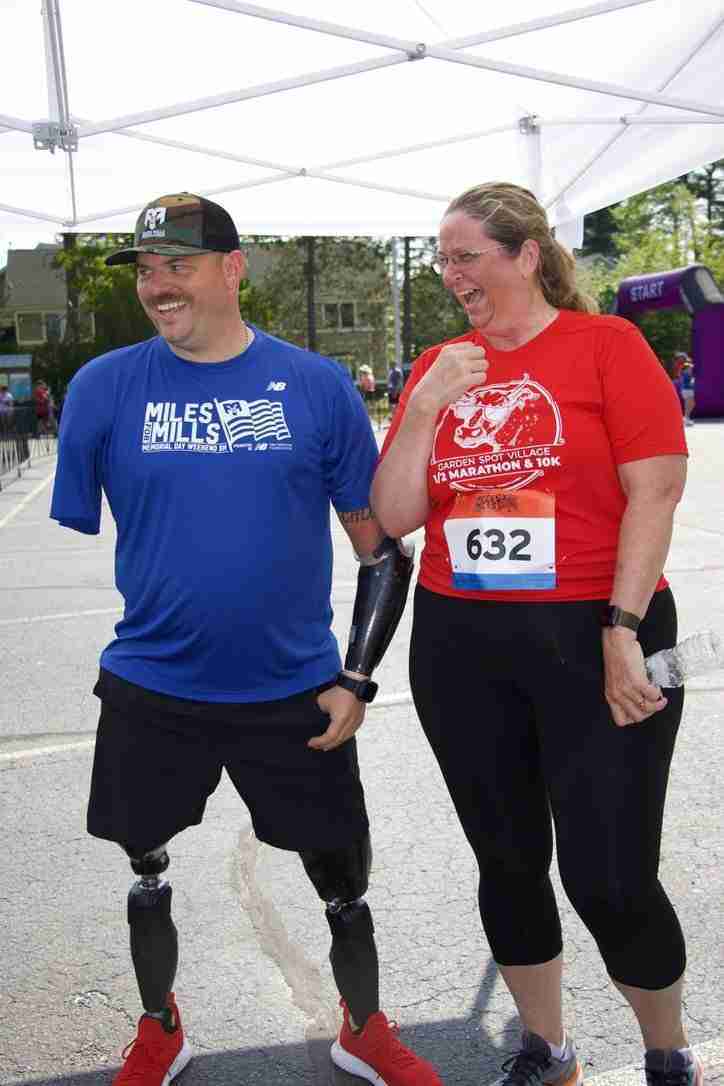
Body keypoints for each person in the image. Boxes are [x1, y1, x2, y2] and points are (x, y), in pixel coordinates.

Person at [50, 192, 442, 1086]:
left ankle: (364, 1029)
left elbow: (382, 552)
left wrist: (358, 677)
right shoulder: (104, 387)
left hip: (294, 690)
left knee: (343, 882)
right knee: (145, 869)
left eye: (179, 266)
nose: (159, 285)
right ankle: (160, 1029)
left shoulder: (314, 385)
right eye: (147, 269)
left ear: (233, 269)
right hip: (153, 686)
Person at [371, 182, 702, 1086]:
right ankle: (547, 1048)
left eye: (466, 256)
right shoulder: (441, 364)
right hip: (462, 642)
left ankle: (667, 1051)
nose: (451, 275)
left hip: (602, 630)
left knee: (611, 874)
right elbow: (393, 514)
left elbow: (657, 490)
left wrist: (622, 628)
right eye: (442, 260)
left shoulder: (607, 345)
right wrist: (427, 404)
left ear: (525, 255)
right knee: (508, 861)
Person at [679, 360, 696, 426]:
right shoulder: (685, 374)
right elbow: (688, 383)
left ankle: (686, 417)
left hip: (689, 390)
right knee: (688, 404)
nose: (690, 369)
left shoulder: (688, 374)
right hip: (686, 390)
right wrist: (692, 381)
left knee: (692, 404)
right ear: (686, 369)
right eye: (689, 368)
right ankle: (686, 418)